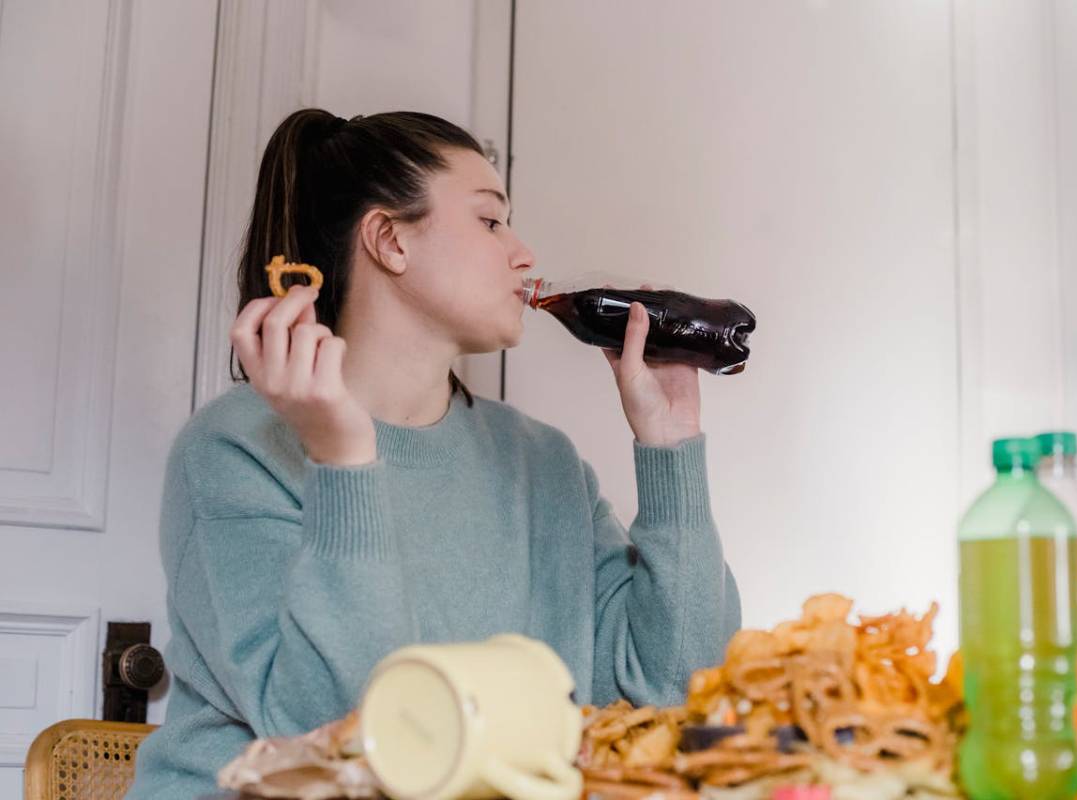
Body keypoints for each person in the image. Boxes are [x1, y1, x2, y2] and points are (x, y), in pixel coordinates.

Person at [128, 109, 741, 798]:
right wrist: (344, 458)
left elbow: (678, 689)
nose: (523, 253)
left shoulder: (541, 464)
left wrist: (671, 448)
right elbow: (345, 738)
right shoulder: (237, 448)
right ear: (389, 240)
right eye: (489, 221)